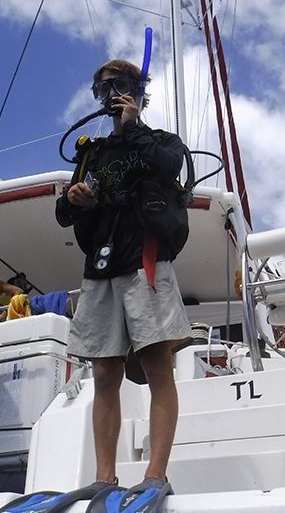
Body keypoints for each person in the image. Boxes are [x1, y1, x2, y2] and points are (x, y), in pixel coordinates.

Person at [55, 59, 192, 501]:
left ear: (138, 91)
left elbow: (170, 165)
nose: (112, 94)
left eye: (122, 86)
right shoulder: (91, 154)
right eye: (104, 89)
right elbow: (63, 215)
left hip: (144, 264)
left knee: (157, 367)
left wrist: (133, 127)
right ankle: (105, 476)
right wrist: (75, 198)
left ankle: (156, 472)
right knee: (104, 372)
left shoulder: (159, 141)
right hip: (100, 270)